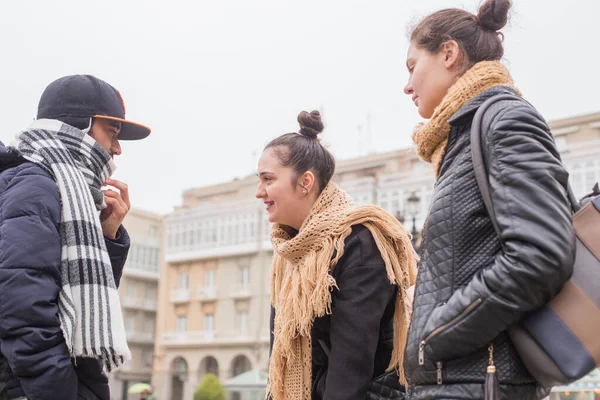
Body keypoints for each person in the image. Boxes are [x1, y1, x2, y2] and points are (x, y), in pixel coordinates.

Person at [402, 0, 575, 399]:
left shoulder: (504, 119)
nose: (407, 85)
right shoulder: (462, 136)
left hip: (483, 383)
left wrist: (436, 333)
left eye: (412, 66)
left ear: (449, 53)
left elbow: (541, 255)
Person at [0, 74, 151, 400]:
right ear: (78, 126)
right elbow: (23, 313)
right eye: (112, 132)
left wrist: (107, 236)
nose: (117, 149)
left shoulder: (64, 191)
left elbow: (73, 293)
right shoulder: (36, 184)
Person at [257, 110, 417, 400]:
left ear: (305, 182)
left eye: (268, 179)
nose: (260, 191)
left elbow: (350, 372)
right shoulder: (289, 253)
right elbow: (277, 362)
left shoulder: (360, 240)